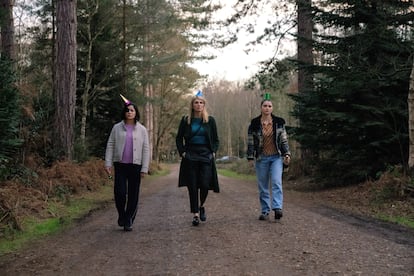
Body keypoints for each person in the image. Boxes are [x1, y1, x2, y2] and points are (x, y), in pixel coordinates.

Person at [105, 94, 150, 231]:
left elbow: (146, 149)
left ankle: (129, 219)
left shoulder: (142, 130)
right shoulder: (117, 128)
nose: (129, 112)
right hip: (120, 165)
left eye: (132, 110)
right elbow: (110, 145)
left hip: (136, 166)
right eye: (127, 110)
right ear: (124, 113)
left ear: (136, 113)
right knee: (120, 192)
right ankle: (121, 214)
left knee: (133, 193)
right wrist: (108, 163)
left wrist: (144, 168)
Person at [176, 90, 220, 226]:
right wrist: (182, 152)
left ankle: (201, 206)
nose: (199, 105)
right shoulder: (185, 120)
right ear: (192, 105)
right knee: (193, 185)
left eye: (201, 103)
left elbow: (216, 139)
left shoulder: (210, 120)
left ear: (204, 105)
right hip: (190, 155)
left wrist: (213, 152)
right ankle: (195, 214)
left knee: (205, 184)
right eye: (196, 102)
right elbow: (179, 138)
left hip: (206, 154)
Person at [247, 93, 291, 221]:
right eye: (265, 106)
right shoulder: (254, 124)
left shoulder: (279, 123)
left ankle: (277, 208)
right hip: (262, 158)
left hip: (276, 157)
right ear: (261, 108)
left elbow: (283, 140)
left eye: (269, 106)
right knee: (263, 186)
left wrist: (287, 154)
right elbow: (250, 142)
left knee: (277, 181)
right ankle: (265, 211)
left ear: (272, 108)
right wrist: (250, 157)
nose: (267, 108)